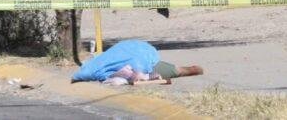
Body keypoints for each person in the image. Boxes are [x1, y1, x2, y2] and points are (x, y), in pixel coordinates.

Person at [71, 39, 203, 86]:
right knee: (174, 71)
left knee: (176, 71)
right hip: (139, 48)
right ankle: (195, 69)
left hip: (143, 55)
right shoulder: (98, 64)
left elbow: (78, 76)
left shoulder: (95, 66)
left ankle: (195, 69)